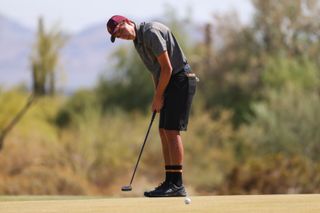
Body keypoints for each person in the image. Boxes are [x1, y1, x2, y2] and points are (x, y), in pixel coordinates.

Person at [106, 15, 197, 197]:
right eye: (118, 36)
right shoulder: (138, 43)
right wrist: (158, 96)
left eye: (121, 32)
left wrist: (158, 96)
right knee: (163, 130)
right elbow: (155, 71)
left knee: (171, 131)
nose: (122, 36)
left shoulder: (150, 33)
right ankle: (170, 182)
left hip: (180, 79)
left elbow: (167, 68)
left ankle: (177, 184)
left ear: (128, 22)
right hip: (170, 82)